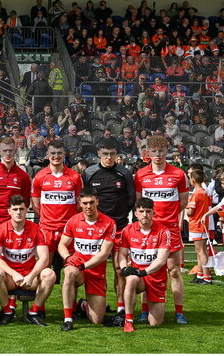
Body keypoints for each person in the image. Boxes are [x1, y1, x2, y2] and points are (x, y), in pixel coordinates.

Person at [133, 134, 190, 324]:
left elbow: (183, 201)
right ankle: (143, 310)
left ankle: (179, 311)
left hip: (171, 230)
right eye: (154, 151)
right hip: (149, 230)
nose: (158, 154)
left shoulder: (179, 174)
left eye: (161, 151)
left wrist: (169, 218)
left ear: (167, 151)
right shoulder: (141, 174)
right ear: (147, 152)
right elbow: (140, 202)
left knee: (174, 271)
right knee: (146, 269)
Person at [82, 139, 134, 322]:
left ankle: (121, 308)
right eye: (105, 154)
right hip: (97, 231)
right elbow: (85, 199)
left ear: (116, 154)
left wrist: (117, 218)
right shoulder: (89, 172)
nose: (109, 157)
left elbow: (130, 200)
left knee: (120, 269)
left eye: (112, 154)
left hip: (119, 228)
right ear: (99, 154)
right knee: (96, 269)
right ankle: (88, 304)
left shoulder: (124, 173)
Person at [0, 194, 56, 326]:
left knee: (50, 274)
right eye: (15, 209)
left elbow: (44, 258)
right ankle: (7, 311)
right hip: (10, 277)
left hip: (29, 277)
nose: (18, 212)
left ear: (27, 210)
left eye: (21, 209)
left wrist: (31, 276)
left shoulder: (37, 230)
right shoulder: (0, 230)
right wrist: (13, 274)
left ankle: (34, 312)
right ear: (9, 211)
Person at [58, 186, 116, 330]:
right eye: (84, 203)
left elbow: (104, 254)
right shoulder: (73, 220)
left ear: (97, 201)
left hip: (95, 271)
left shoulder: (109, 223)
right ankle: (68, 318)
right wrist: (67, 257)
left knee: (97, 320)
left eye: (91, 202)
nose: (88, 206)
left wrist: (85, 265)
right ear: (80, 203)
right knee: (69, 272)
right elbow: (62, 245)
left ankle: (82, 304)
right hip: (78, 268)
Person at [117, 197, 171, 333]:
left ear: (153, 213)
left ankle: (147, 308)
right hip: (138, 276)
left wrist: (144, 272)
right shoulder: (127, 230)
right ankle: (128, 320)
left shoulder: (163, 231)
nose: (145, 214)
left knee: (156, 323)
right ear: (135, 213)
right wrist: (124, 267)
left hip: (156, 277)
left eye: (148, 211)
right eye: (141, 211)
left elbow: (162, 259)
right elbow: (122, 255)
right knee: (130, 279)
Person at [30, 140, 82, 269]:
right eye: (52, 153)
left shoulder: (75, 177)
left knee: (71, 268)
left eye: (59, 153)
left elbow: (79, 204)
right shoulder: (39, 177)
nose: (56, 156)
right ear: (47, 154)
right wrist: (48, 220)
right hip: (47, 229)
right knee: (44, 268)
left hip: (68, 229)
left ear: (64, 154)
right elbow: (36, 205)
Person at [186, 169, 214, 285]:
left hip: (197, 224)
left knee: (201, 251)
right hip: (203, 223)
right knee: (200, 250)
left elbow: (190, 212)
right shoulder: (204, 192)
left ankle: (206, 276)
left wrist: (186, 208)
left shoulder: (196, 193)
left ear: (192, 180)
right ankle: (200, 274)